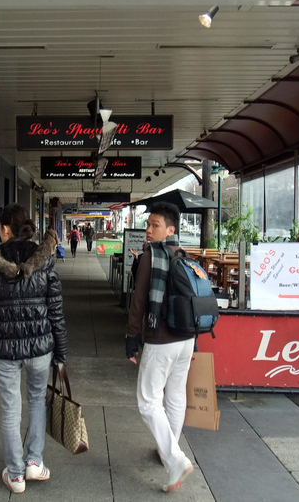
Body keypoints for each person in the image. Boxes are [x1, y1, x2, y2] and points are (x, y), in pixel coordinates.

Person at [0, 203, 68, 494]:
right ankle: (34, 462)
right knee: (37, 400)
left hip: (5, 349)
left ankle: (15, 475)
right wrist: (61, 349)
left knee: (11, 409)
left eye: (1, 228)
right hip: (40, 348)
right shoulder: (44, 258)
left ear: (5, 229)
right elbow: (55, 308)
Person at [125, 201, 195, 493]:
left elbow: (139, 300)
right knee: (175, 397)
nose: (149, 230)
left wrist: (132, 336)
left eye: (155, 225)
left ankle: (175, 459)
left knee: (148, 401)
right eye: (148, 224)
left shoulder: (150, 256)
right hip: (186, 339)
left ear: (171, 229)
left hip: (161, 339)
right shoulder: (184, 254)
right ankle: (170, 453)